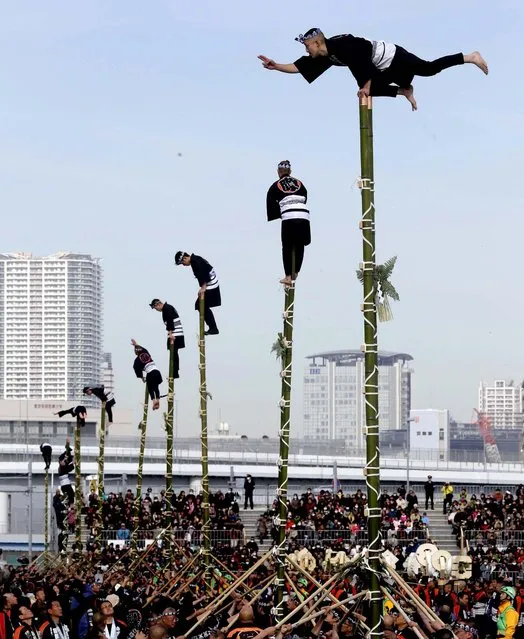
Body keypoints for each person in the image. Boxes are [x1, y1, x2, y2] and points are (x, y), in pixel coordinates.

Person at [258, 27, 488, 111]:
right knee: (365, 90)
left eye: (307, 46)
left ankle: (470, 57)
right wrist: (276, 66)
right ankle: (404, 91)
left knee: (429, 69)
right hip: (384, 70)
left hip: (395, 57)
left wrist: (366, 85)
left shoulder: (343, 45)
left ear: (318, 42)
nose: (307, 50)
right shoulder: (325, 55)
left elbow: (363, 62)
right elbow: (300, 67)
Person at [266, 160, 311, 287]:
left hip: (289, 217)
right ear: (290, 171)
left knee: (287, 246)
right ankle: (296, 271)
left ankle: (288, 276)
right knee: (300, 245)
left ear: (278, 172)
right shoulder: (299, 183)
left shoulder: (275, 185)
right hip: (304, 215)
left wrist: (279, 214)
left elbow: (270, 201)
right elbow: (305, 195)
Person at [174, 252, 221, 335]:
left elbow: (205, 274)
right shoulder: (195, 260)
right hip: (210, 284)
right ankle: (213, 327)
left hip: (211, 285)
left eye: (182, 263)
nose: (183, 265)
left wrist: (203, 287)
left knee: (200, 305)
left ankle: (213, 328)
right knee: (200, 305)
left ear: (185, 258)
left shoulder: (196, 261)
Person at [149, 300, 185, 378]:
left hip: (175, 333)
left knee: (174, 353)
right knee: (174, 353)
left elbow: (170, 321)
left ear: (157, 305)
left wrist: (171, 333)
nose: (156, 310)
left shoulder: (167, 308)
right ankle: (175, 372)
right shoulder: (167, 308)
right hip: (176, 333)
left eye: (155, 308)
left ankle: (174, 372)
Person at [131, 340, 163, 410]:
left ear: (136, 353)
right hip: (157, 372)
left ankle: (154, 401)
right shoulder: (146, 352)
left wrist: (142, 377)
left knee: (150, 388)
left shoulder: (137, 361)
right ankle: (157, 399)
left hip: (150, 373)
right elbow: (142, 349)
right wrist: (136, 344)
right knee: (156, 387)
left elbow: (136, 369)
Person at [58, 439, 75, 505]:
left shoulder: (69, 457)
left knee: (71, 494)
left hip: (65, 479)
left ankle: (69, 503)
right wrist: (67, 443)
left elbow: (69, 467)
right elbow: (67, 449)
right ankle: (67, 501)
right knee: (71, 494)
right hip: (64, 478)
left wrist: (73, 462)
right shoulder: (65, 456)